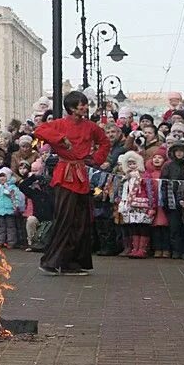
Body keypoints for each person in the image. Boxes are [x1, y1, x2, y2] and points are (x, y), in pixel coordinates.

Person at [33, 91, 111, 276]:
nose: (84, 107)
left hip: (81, 174)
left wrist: (96, 159)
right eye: (80, 105)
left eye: (85, 104)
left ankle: (73, 263)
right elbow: (39, 131)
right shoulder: (60, 124)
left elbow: (104, 142)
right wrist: (60, 139)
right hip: (65, 175)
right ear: (71, 108)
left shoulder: (91, 126)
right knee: (65, 219)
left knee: (81, 221)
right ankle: (51, 261)